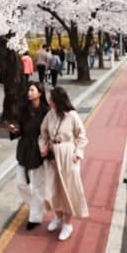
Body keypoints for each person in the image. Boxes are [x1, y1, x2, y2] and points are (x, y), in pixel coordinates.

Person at [40, 86, 88, 241]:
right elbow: (43, 134)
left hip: (68, 155)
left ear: (56, 100)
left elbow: (82, 136)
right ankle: (58, 216)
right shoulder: (49, 115)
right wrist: (43, 146)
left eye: (51, 98)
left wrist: (77, 154)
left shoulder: (72, 115)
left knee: (68, 189)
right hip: (53, 155)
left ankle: (68, 224)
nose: (49, 101)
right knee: (52, 189)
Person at [8, 82, 50, 230]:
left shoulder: (46, 111)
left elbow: (49, 133)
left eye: (32, 90)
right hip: (24, 149)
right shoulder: (24, 109)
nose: (29, 92)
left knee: (39, 186)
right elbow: (21, 129)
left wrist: (47, 148)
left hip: (39, 150)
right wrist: (14, 131)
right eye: (29, 90)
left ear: (40, 93)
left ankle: (35, 217)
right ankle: (36, 206)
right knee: (20, 183)